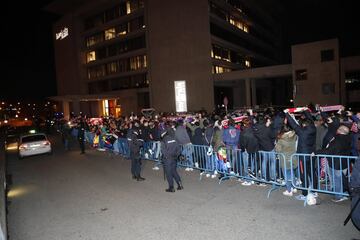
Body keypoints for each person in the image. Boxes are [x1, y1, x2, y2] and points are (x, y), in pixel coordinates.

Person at [160, 126, 183, 192]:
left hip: (168, 159)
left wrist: (166, 157)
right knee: (174, 171)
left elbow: (163, 151)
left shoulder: (163, 140)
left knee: (168, 173)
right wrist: (176, 155)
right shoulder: (174, 138)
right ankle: (180, 185)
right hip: (174, 158)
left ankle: (171, 187)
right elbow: (179, 148)